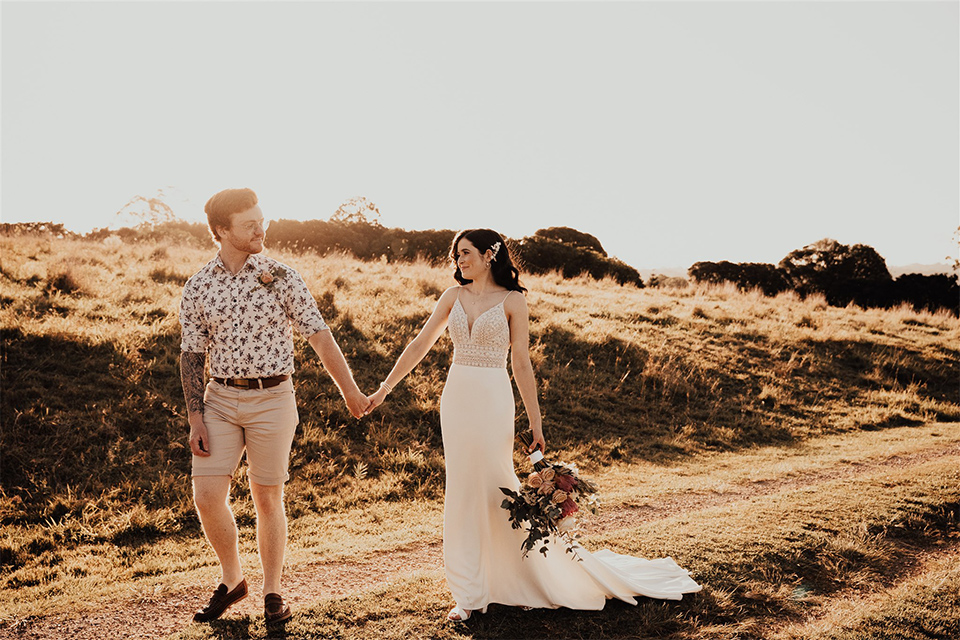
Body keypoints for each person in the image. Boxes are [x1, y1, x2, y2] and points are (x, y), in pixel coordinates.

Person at [365, 228, 701, 622]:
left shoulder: (513, 301)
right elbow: (419, 344)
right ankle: (469, 592)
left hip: (493, 399)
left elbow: (521, 363)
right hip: (456, 400)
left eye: (466, 253)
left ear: (490, 255)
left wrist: (535, 420)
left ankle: (521, 578)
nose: (460, 261)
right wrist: (384, 389)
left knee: (498, 486)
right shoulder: (451, 297)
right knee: (462, 488)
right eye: (456, 255)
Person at [179, 188, 370, 624]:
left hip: (274, 399)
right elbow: (191, 354)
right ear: (222, 231)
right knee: (207, 496)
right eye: (249, 224)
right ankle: (232, 580)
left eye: (261, 220)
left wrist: (350, 391)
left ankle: (272, 592)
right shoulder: (198, 286)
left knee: (267, 497)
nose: (260, 229)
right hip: (220, 400)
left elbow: (319, 335)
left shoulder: (281, 276)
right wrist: (195, 416)